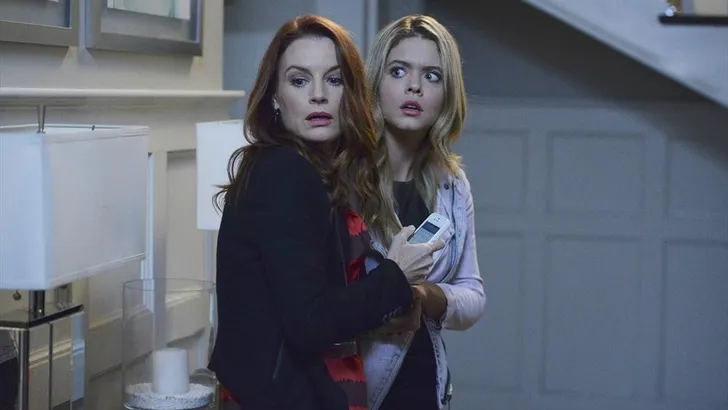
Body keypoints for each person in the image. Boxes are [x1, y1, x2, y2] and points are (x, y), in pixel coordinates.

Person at [208, 15, 443, 410]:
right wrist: (396, 274)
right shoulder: (284, 172)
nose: (318, 95)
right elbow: (310, 323)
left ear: (350, 94)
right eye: (299, 81)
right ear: (274, 97)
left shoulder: (311, 172)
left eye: (333, 80)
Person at [361, 15, 486, 410]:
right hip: (355, 392)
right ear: (376, 81)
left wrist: (425, 295)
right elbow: (315, 306)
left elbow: (473, 296)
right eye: (399, 71)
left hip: (426, 390)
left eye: (431, 76)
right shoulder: (343, 179)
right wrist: (388, 293)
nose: (413, 86)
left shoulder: (452, 185)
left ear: (447, 94)